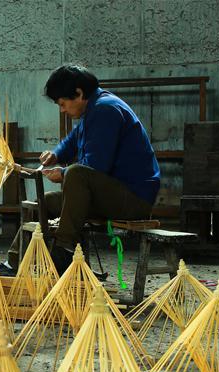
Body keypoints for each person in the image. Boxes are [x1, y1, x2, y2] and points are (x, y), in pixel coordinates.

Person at [27, 64, 160, 274]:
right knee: (43, 203)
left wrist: (63, 173)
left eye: (63, 104)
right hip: (110, 195)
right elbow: (72, 140)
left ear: (79, 93)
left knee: (75, 174)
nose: (62, 110)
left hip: (133, 199)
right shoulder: (92, 110)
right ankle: (16, 262)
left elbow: (96, 167)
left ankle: (64, 251)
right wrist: (56, 154)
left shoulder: (105, 110)